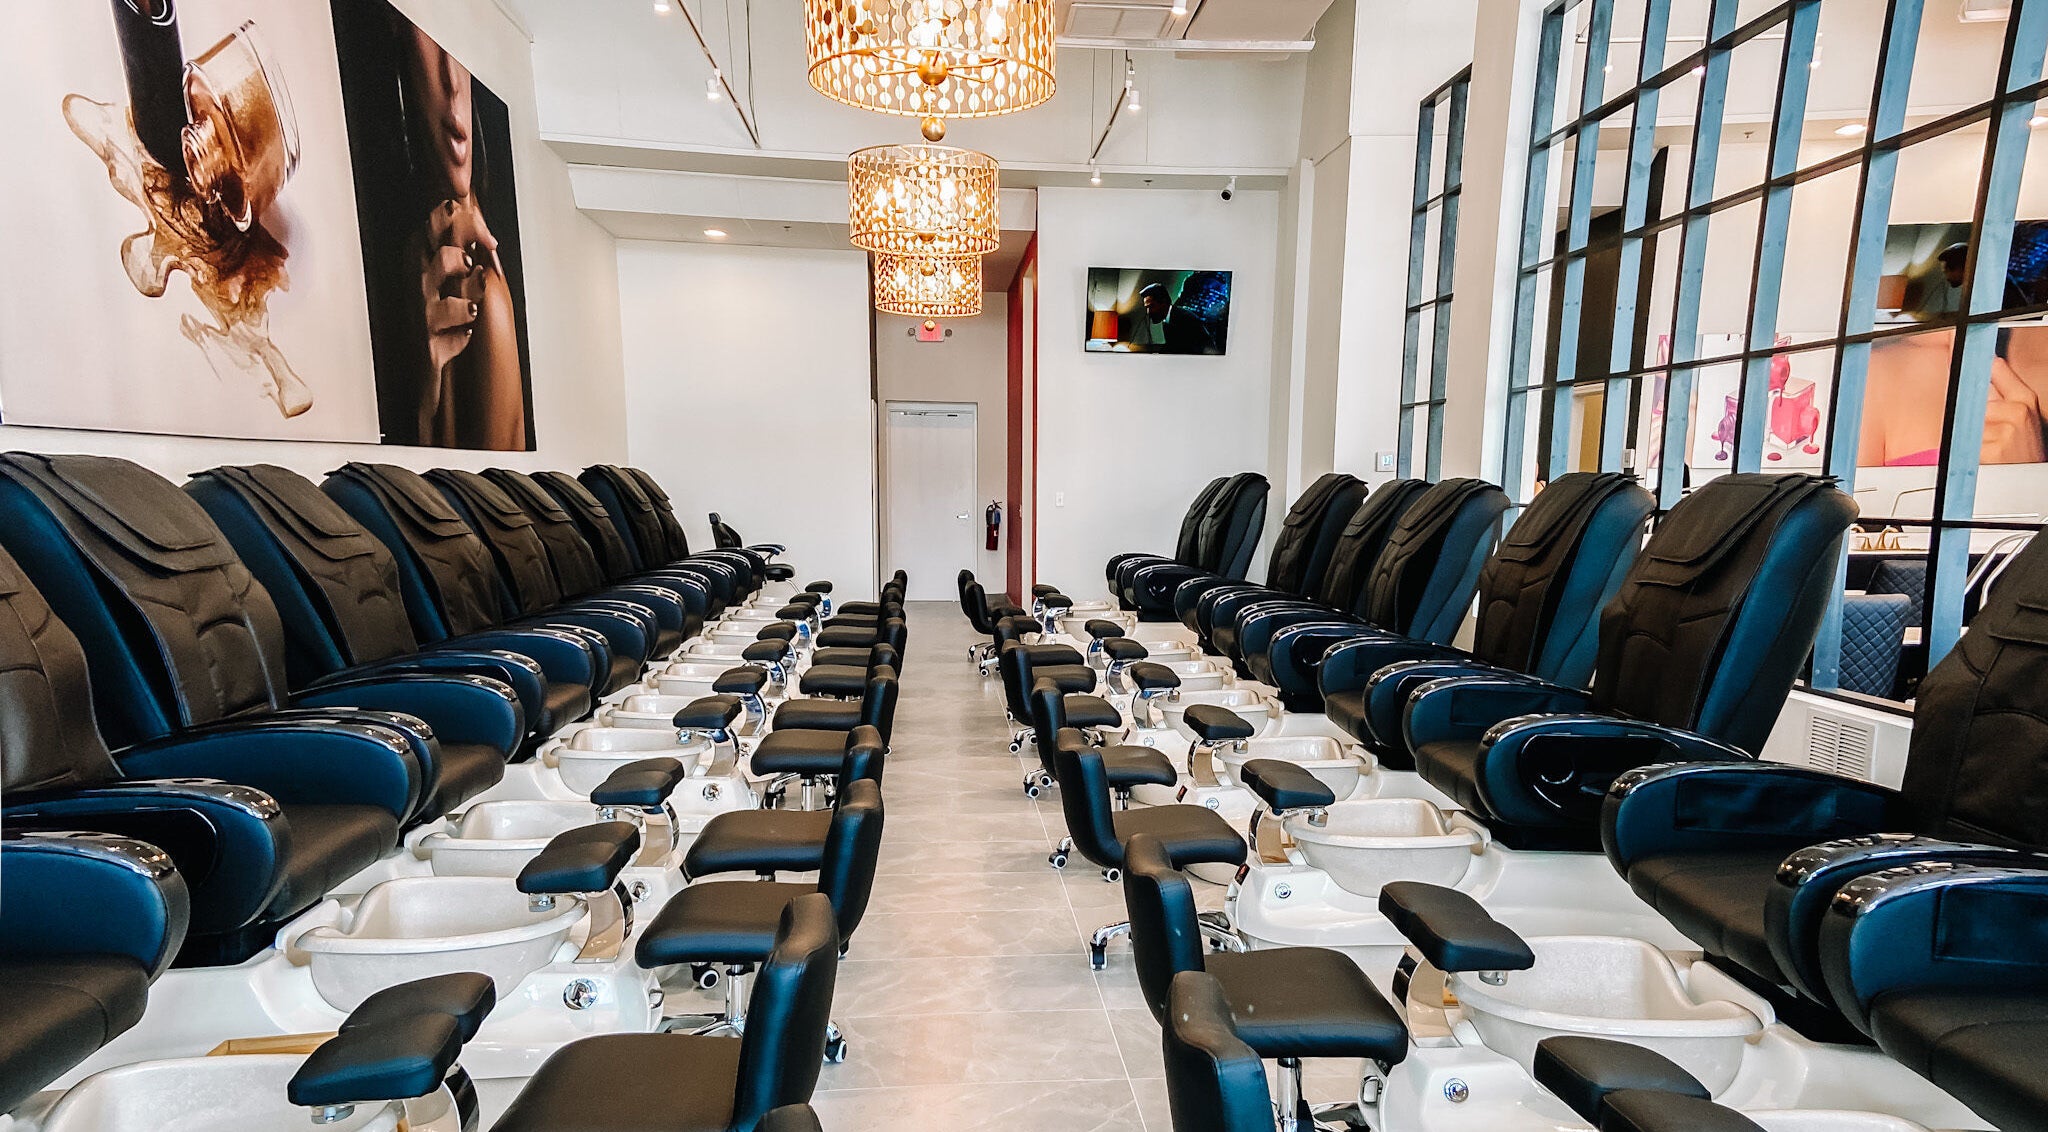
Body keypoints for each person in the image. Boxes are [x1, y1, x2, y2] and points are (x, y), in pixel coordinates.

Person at [398, 20, 527, 450]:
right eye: (433, 45)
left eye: (461, 59)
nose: (453, 82)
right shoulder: (415, 272)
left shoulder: (484, 294)